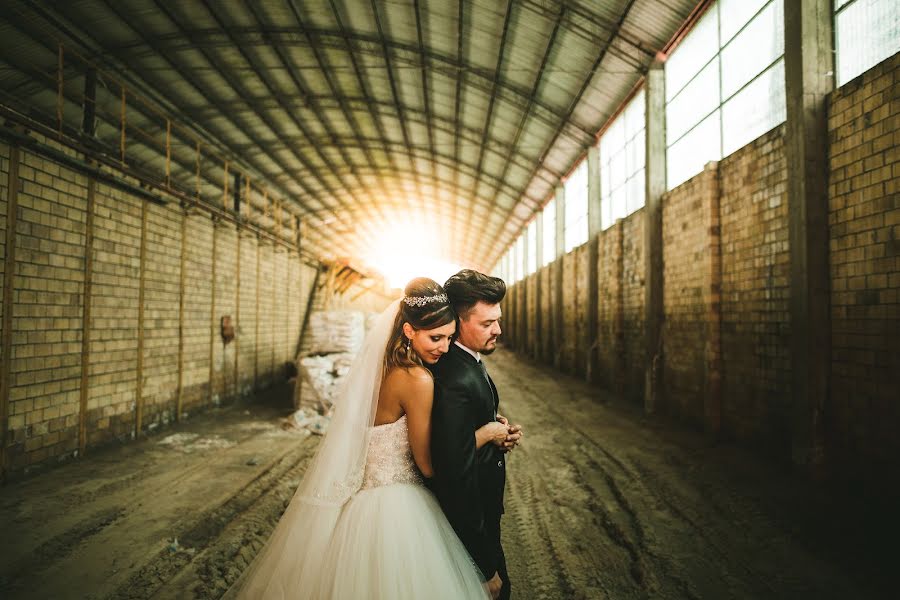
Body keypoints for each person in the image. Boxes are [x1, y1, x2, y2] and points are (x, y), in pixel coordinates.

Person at [224, 278, 500, 599]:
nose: (443, 347)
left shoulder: (384, 368)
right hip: (400, 507)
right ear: (409, 331)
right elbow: (427, 465)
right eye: (435, 337)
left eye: (450, 339)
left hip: (361, 502)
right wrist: (483, 434)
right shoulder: (418, 379)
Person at [428, 269, 523, 600]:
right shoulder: (453, 378)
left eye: (497, 319)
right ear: (457, 322)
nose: (498, 329)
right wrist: (484, 566)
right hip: (471, 528)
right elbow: (455, 475)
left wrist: (496, 429)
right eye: (486, 324)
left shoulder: (468, 360)